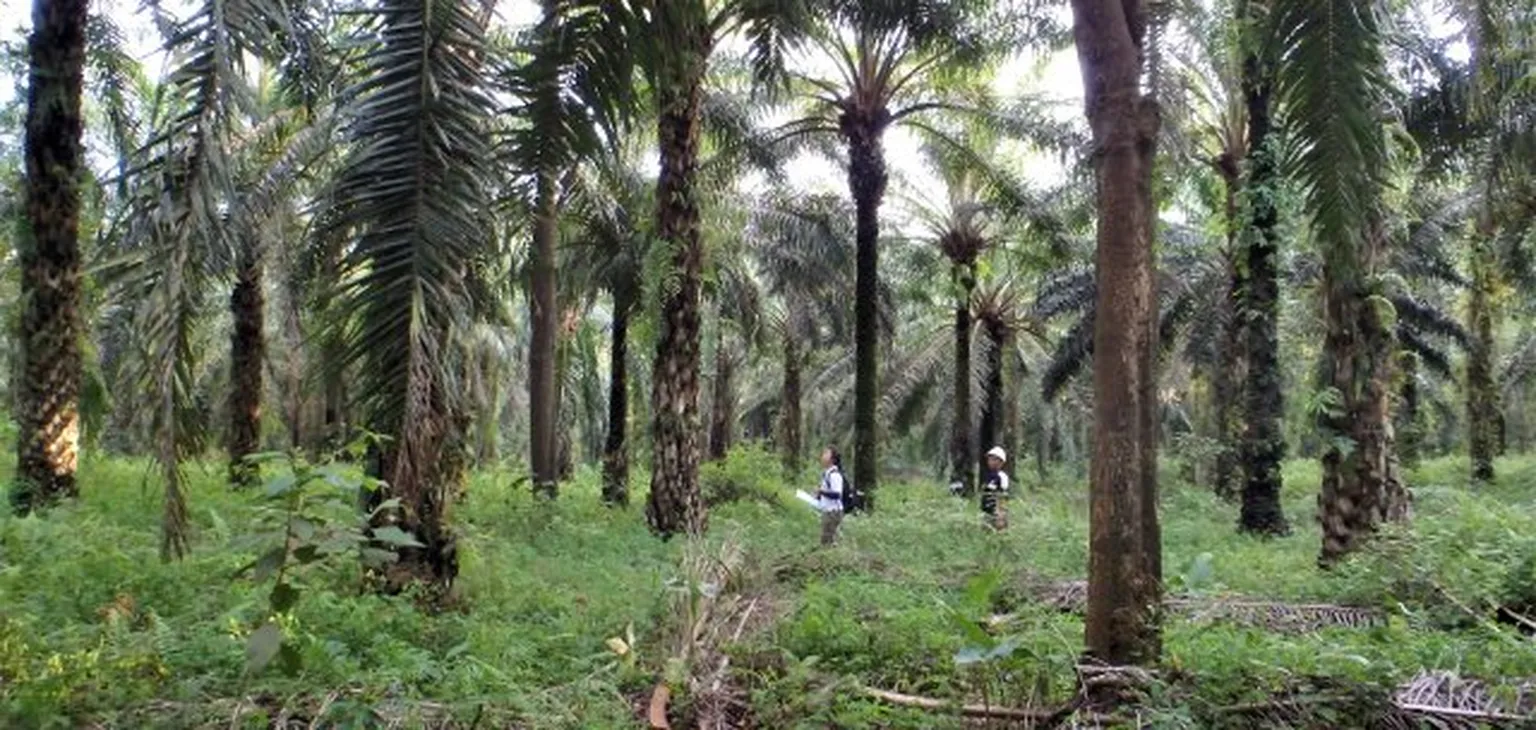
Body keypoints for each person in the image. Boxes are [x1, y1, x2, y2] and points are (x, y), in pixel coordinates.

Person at [815, 446, 845, 546]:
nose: (822, 456)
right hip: (827, 511)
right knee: (826, 540)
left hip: (833, 512)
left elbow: (837, 494)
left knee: (828, 541)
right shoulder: (827, 474)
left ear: (832, 459)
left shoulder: (834, 475)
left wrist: (822, 491)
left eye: (826, 453)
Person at [981, 446, 1010, 530]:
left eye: (994, 459)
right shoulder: (989, 476)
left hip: (997, 510)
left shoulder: (1001, 476)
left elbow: (1003, 494)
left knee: (999, 530)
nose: (991, 462)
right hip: (987, 510)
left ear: (1001, 462)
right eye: (989, 459)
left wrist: (1000, 510)